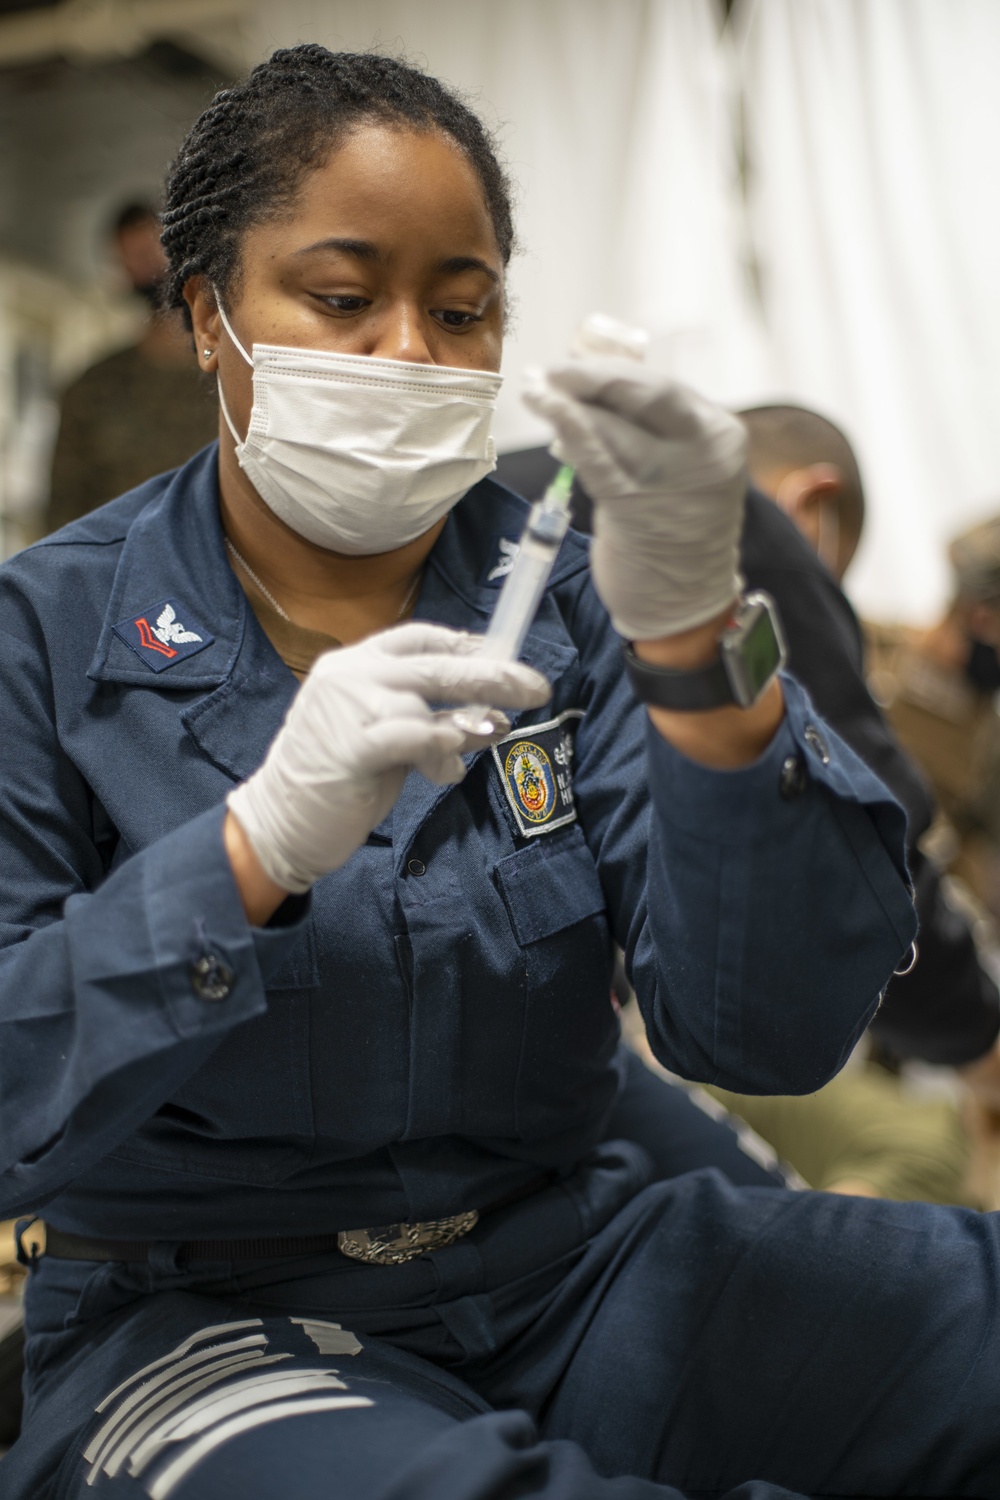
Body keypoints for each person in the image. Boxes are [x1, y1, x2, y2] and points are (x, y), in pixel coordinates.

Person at [0, 44, 995, 1500]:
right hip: (206, 1319)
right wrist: (248, 854)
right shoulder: (48, 637)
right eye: (342, 299)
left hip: (568, 1266)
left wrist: (701, 653)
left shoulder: (580, 597)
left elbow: (766, 1034)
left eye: (462, 311)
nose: (411, 351)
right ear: (210, 315)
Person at [44, 201, 218, 534]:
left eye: (153, 250)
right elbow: (62, 514)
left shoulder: (236, 375)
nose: (149, 267)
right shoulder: (93, 390)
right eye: (133, 256)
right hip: (119, 571)